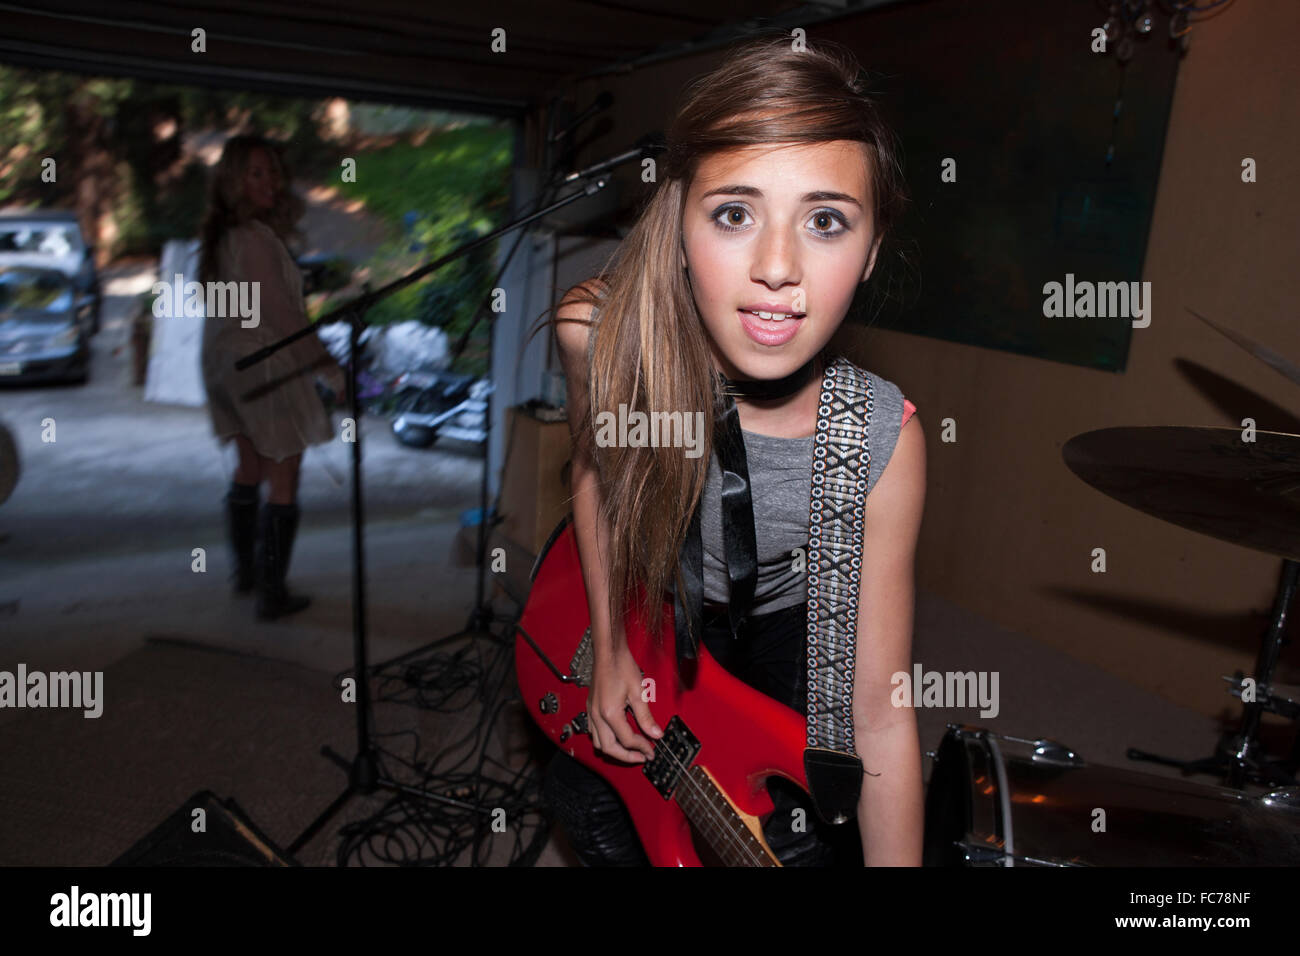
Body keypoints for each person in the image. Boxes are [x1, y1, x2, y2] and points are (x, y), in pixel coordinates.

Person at [544, 35, 925, 866]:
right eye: (734, 213)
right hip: (651, 590)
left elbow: (882, 716)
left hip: (788, 610)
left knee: (798, 826)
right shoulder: (595, 337)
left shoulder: (881, 441)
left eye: (825, 221)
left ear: (870, 254)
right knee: (601, 804)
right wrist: (611, 650)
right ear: (679, 223)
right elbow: (596, 479)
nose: (778, 266)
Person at [198, 134, 345, 620]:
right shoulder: (253, 239)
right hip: (262, 365)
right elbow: (283, 318)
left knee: (250, 468)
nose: (270, 182)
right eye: (256, 173)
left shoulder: (221, 237)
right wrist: (327, 367)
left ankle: (245, 574)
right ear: (233, 181)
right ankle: (272, 593)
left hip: (224, 365)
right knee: (285, 472)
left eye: (273, 172)